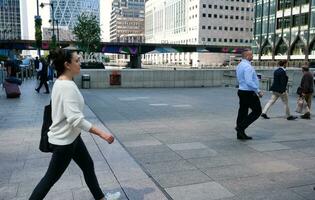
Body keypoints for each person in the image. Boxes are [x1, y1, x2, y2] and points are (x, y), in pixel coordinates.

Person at [29, 48, 115, 200]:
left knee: (88, 165)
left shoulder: (62, 81)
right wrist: (102, 133)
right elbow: (75, 119)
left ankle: (100, 198)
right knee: (49, 179)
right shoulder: (66, 86)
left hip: (73, 136)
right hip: (64, 142)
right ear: (67, 65)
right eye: (77, 61)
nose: (80, 63)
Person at [235, 49, 263, 140]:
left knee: (242, 112)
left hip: (241, 91)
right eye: (251, 55)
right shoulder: (248, 67)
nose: (253, 56)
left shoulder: (239, 65)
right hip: (248, 92)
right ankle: (241, 127)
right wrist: (258, 90)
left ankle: (240, 133)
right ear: (247, 56)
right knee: (257, 111)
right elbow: (249, 81)